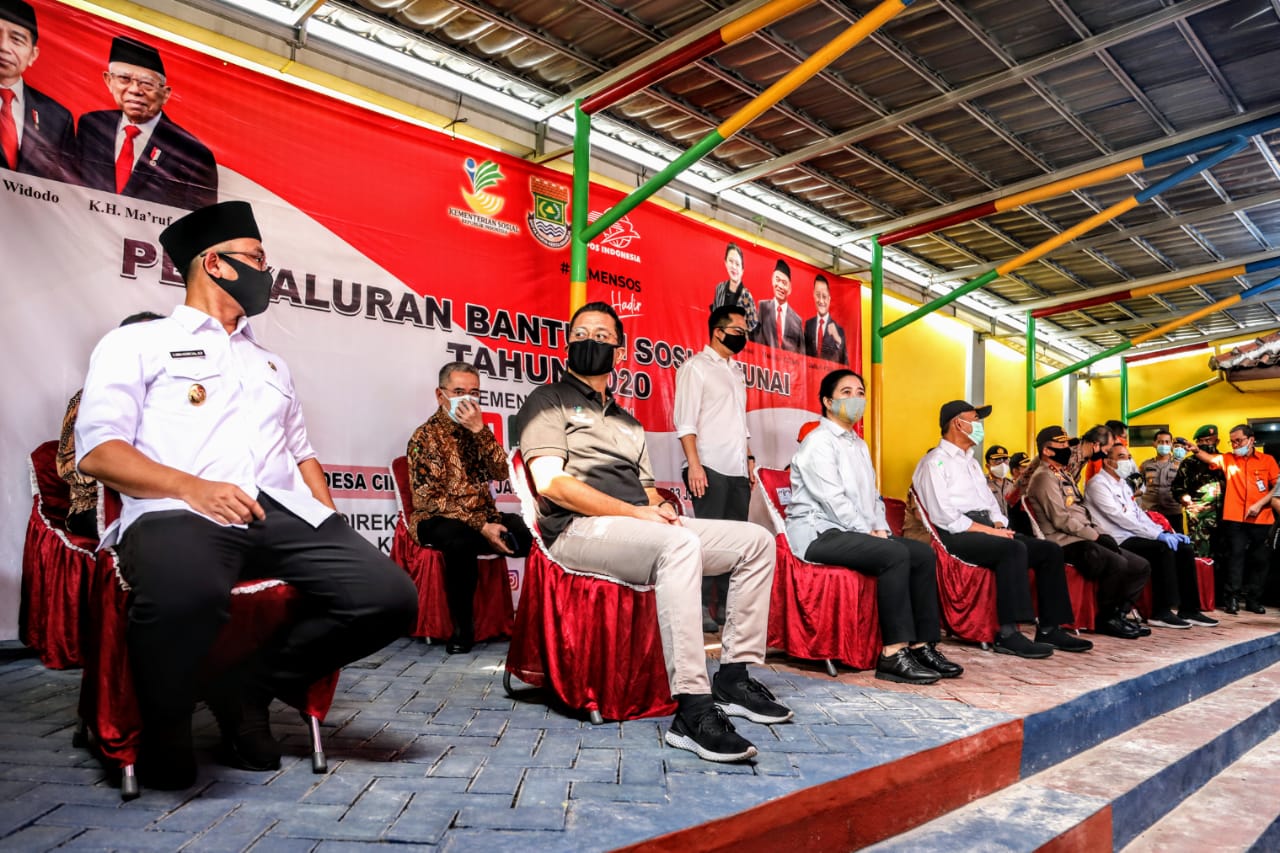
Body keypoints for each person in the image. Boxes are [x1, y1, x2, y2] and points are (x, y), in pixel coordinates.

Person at [74, 201, 418, 791]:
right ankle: (166, 722)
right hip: (178, 511)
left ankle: (247, 687)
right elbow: (100, 452)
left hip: (279, 513)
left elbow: (301, 451)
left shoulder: (270, 363)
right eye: (256, 258)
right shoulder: (139, 343)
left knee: (388, 597)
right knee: (185, 594)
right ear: (215, 263)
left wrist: (328, 521)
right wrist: (193, 488)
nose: (267, 269)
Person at [517, 301, 790, 764]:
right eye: (582, 333)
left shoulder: (627, 422)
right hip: (577, 532)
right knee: (681, 546)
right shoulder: (547, 401)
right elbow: (551, 484)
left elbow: (646, 494)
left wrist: (659, 508)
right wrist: (635, 513)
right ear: (568, 343)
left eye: (603, 336)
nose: (591, 342)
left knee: (756, 542)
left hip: (630, 526)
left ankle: (733, 676)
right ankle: (693, 709)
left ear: (619, 353)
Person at [789, 370, 961, 684]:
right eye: (846, 392)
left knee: (922, 554)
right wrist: (867, 532)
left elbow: (873, 499)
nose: (855, 399)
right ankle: (893, 654)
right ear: (828, 402)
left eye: (860, 392)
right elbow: (832, 500)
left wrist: (880, 528)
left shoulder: (858, 445)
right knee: (893, 555)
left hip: (851, 531)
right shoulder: (818, 443)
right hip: (818, 533)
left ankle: (922, 644)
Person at [912, 401, 1090, 657]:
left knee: (1048, 551)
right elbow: (945, 517)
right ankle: (1008, 634)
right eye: (974, 420)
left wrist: (997, 523)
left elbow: (990, 503)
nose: (979, 426)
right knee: (1012, 549)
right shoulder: (934, 463)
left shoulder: (971, 463)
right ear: (957, 423)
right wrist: (990, 532)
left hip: (985, 527)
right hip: (957, 535)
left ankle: (1050, 628)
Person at [406, 362, 532, 654]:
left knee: (529, 535)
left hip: (482, 515)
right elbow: (428, 499)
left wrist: (480, 431)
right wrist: (482, 527)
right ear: (441, 395)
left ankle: (531, 622)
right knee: (460, 540)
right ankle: (462, 628)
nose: (468, 399)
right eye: (459, 391)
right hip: (436, 518)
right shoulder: (424, 437)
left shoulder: (478, 432)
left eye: (474, 393)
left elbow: (502, 472)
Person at [674, 305, 756, 634]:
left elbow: (740, 424)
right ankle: (698, 607)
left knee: (734, 542)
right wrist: (694, 465)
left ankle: (724, 605)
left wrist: (749, 459)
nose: (742, 337)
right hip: (707, 466)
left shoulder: (736, 372)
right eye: (737, 331)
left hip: (736, 469)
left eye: (745, 333)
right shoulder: (696, 368)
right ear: (718, 332)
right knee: (708, 541)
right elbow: (685, 422)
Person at [1025, 426, 1150, 639]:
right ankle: (1105, 619)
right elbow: (1061, 519)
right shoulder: (1043, 478)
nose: (1067, 449)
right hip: (1064, 542)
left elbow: (1083, 513)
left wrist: (1101, 533)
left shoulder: (1063, 474)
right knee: (1117, 563)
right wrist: (1096, 537)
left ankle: (1119, 613)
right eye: (1062, 445)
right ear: (1047, 451)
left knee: (1140, 565)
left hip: (1083, 536)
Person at [56, 311, 164, 538]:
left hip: (160, 498)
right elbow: (67, 466)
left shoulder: (170, 400)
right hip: (96, 506)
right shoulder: (88, 398)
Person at [76, 36, 217, 210]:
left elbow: (200, 226)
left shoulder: (193, 154)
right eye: (124, 79)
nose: (135, 90)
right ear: (109, 81)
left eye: (147, 84)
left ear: (165, 94)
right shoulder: (92, 126)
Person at [1086, 443, 1217, 628]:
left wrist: (1163, 531)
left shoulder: (1122, 484)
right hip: (1117, 538)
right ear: (1108, 461)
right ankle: (1161, 611)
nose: (1128, 461)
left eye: (1129, 456)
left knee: (1184, 548)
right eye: (1122, 457)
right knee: (1162, 549)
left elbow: (1138, 514)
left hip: (1135, 534)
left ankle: (1189, 609)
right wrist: (1157, 536)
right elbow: (1120, 518)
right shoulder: (1097, 485)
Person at [1193, 424, 1278, 614]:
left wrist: (1259, 504)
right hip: (1235, 519)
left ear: (1251, 439)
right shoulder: (1229, 459)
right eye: (1232, 442)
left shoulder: (1267, 460)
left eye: (1238, 440)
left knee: (1260, 561)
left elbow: (1277, 487)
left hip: (1262, 519)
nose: (1235, 445)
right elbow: (1209, 458)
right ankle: (1231, 599)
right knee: (1235, 559)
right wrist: (1195, 449)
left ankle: (1253, 600)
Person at [0, 0, 74, 181]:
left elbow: (66, 186)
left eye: (16, 39)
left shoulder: (57, 118)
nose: (3, 47)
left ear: (33, 55)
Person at [751, 259, 803, 353]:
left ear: (790, 288)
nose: (780, 286)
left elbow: (802, 354)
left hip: (787, 366)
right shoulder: (763, 307)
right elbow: (754, 340)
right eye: (777, 280)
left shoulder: (797, 320)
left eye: (784, 283)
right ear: (772, 280)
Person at [1139, 429, 1185, 533]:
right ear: (1154, 444)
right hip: (1151, 512)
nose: (1164, 445)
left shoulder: (1181, 465)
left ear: (1171, 444)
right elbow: (1138, 486)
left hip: (1173, 512)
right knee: (1153, 543)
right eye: (1160, 442)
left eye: (1167, 442)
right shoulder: (1146, 465)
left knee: (1178, 542)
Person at [709, 242, 759, 334]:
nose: (733, 267)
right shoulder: (720, 288)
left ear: (742, 270)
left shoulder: (746, 296)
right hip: (718, 339)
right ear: (725, 263)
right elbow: (714, 316)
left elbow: (753, 324)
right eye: (731, 261)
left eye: (737, 264)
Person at [803, 275, 848, 364]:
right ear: (813, 295)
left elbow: (844, 363)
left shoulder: (839, 331)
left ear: (829, 299)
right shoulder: (808, 325)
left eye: (824, 296)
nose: (821, 300)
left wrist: (838, 340)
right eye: (818, 295)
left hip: (830, 377)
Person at [984, 444, 1014, 517]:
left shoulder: (1011, 485)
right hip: (991, 526)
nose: (1002, 464)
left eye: (1005, 460)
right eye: (997, 460)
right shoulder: (982, 483)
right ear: (988, 466)